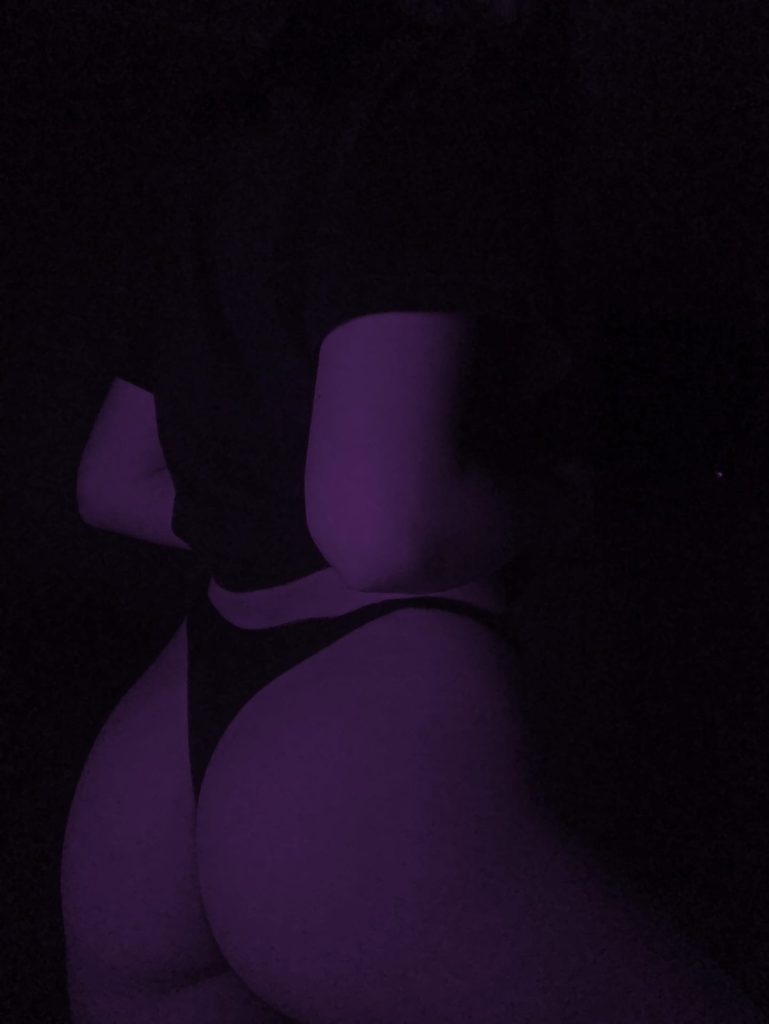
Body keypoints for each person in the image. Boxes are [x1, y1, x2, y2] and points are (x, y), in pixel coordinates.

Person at [60, 1, 765, 1021]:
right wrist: (557, 503)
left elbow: (113, 483)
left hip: (155, 768)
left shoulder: (241, 123)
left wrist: (273, 511)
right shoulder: (450, 79)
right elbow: (382, 528)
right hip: (352, 737)